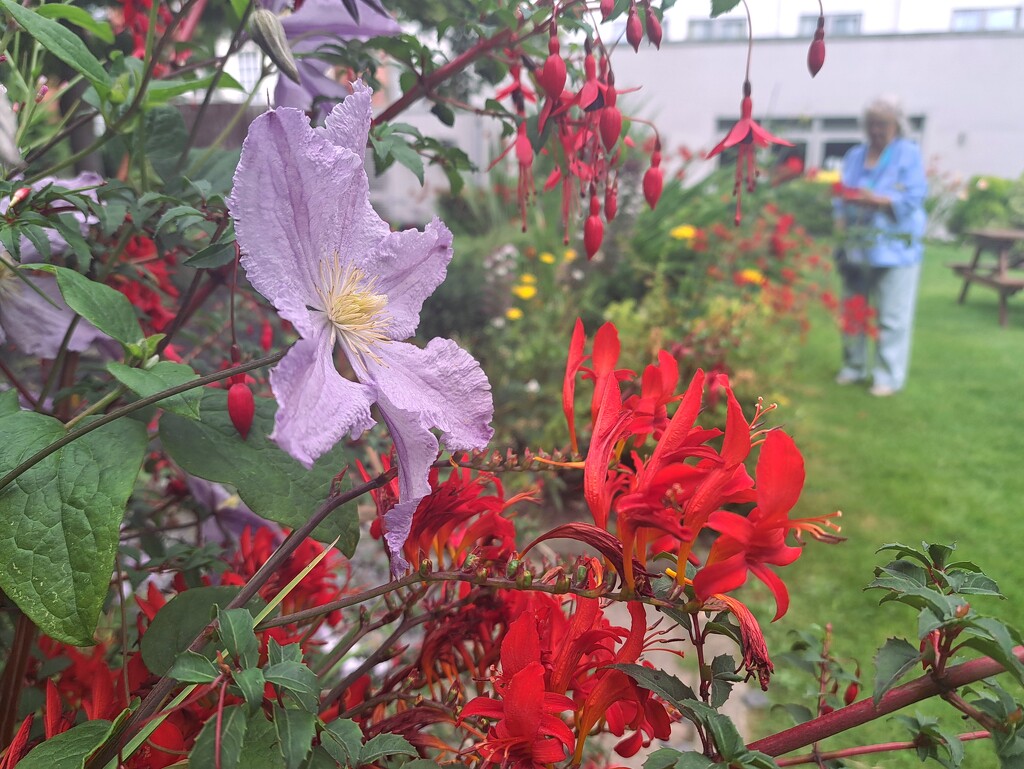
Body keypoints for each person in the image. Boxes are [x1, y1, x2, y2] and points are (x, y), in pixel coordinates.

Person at [832, 96, 928, 396]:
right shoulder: (854, 155)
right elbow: (839, 196)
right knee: (854, 310)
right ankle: (853, 366)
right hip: (856, 247)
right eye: (871, 123)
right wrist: (839, 230)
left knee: (892, 317)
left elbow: (913, 198)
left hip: (896, 250)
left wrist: (876, 200)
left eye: (882, 124)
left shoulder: (908, 153)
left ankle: (887, 376)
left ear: (896, 124)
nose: (876, 130)